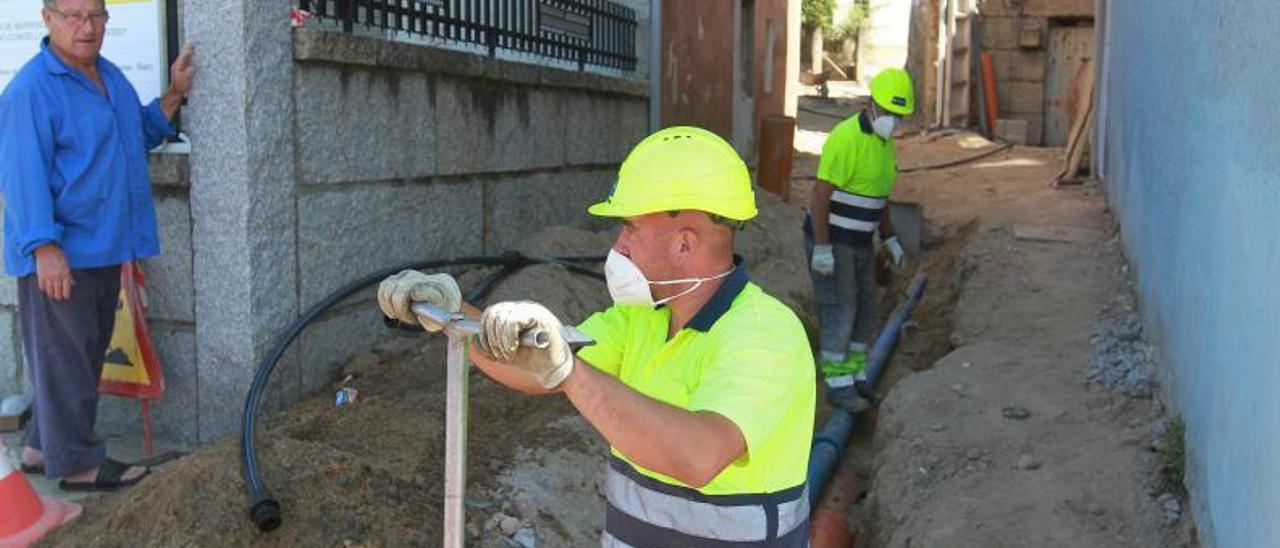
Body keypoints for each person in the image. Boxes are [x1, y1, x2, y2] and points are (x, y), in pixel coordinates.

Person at [379, 126, 816, 546]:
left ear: (684, 244)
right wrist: (452, 312)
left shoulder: (765, 334)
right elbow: (533, 370)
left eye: (630, 228)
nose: (619, 245)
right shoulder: (640, 320)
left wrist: (569, 371)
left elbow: (698, 455)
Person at [0, 0, 194, 491]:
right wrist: (44, 248)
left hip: (103, 247)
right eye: (72, 16)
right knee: (67, 358)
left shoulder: (108, 77)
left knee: (74, 356)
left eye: (95, 16)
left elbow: (138, 134)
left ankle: (43, 447)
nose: (85, 27)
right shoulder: (31, 90)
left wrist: (173, 94)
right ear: (48, 20)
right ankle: (80, 464)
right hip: (63, 253)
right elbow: (22, 176)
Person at [805, 68, 915, 413]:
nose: (893, 121)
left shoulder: (885, 146)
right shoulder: (845, 138)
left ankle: (854, 376)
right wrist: (822, 248)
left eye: (898, 115)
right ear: (872, 105)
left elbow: (880, 196)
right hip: (833, 238)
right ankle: (837, 386)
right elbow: (820, 196)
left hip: (861, 240)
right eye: (888, 113)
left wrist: (891, 238)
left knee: (867, 305)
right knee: (841, 305)